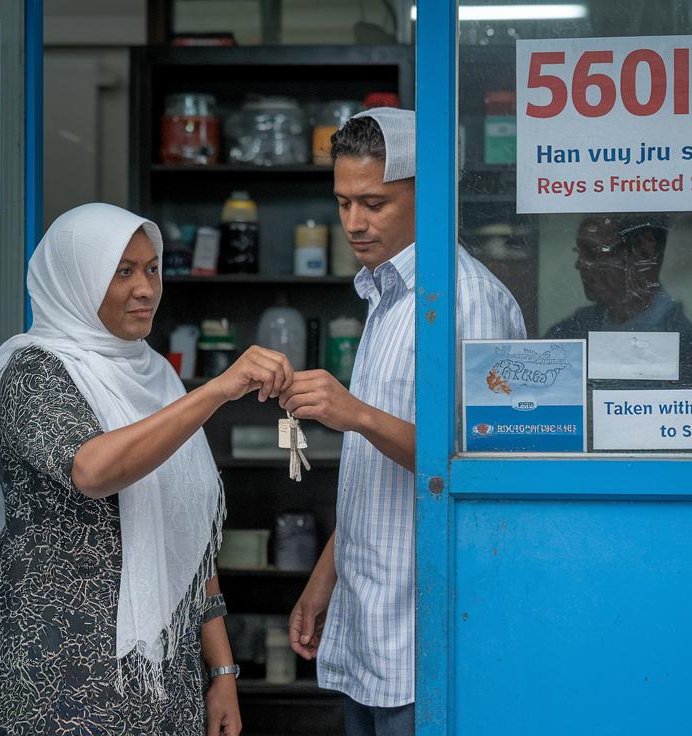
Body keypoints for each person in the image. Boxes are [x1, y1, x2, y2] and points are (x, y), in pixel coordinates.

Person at [0, 203, 295, 735]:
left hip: (163, 680)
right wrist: (216, 390)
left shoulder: (154, 378)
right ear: (76, 278)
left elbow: (189, 539)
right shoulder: (34, 369)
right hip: (60, 681)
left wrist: (223, 669)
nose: (145, 288)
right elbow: (94, 469)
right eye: (122, 271)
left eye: (151, 268)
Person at [279, 109, 526, 736]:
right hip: (369, 624)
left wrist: (353, 413)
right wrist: (323, 577)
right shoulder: (384, 295)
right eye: (343, 202)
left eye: (374, 203)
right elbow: (375, 473)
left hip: (426, 637)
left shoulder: (468, 299)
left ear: (427, 195)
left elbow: (483, 467)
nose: (354, 223)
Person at [546, 214, 692, 387]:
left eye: (593, 252)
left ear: (645, 250)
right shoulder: (569, 334)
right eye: (580, 253)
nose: (580, 264)